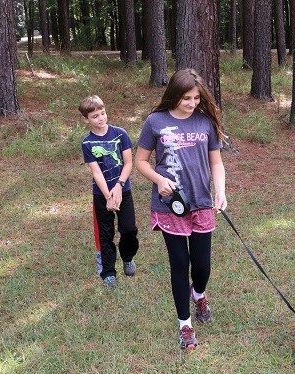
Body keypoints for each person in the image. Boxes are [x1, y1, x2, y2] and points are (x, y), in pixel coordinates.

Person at [135, 69, 227, 349]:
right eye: (186, 97)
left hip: (201, 202)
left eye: (196, 98)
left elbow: (216, 162)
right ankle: (185, 326)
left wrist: (220, 192)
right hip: (169, 206)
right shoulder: (155, 121)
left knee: (202, 266)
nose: (192, 103)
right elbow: (141, 161)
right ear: (174, 95)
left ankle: (198, 293)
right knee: (179, 265)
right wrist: (159, 179)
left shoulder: (205, 122)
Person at [80, 95, 139, 288]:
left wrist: (119, 187)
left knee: (128, 229)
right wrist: (108, 196)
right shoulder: (87, 143)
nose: (101, 118)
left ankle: (128, 257)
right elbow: (96, 172)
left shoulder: (120, 134)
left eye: (103, 113)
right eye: (95, 116)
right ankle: (108, 272)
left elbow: (129, 163)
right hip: (102, 195)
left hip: (124, 190)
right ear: (86, 119)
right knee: (105, 234)